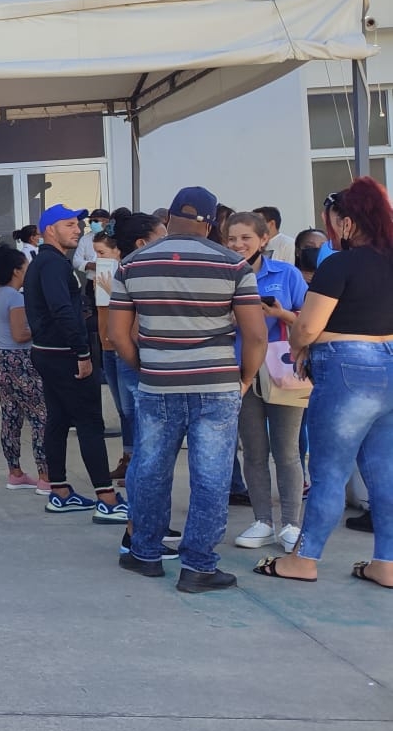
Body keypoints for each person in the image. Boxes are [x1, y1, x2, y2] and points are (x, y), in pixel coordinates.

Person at [110, 187, 267, 593]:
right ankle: (198, 567)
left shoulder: (132, 264)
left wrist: (146, 366)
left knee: (150, 469)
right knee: (211, 475)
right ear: (213, 222)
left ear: (169, 219)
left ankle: (145, 553)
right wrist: (244, 379)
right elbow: (255, 335)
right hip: (216, 384)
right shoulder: (233, 264)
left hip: (157, 384)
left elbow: (118, 335)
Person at [259, 179, 393, 585]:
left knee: (329, 472)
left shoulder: (339, 265)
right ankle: (386, 563)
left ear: (348, 223)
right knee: (384, 472)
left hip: (347, 368)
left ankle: (304, 559)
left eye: (332, 222)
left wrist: (300, 347)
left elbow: (305, 327)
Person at [24, 203, 128, 523]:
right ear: (50, 229)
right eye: (69, 224)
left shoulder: (47, 262)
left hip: (49, 352)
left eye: (77, 224)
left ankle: (60, 492)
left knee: (57, 420)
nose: (78, 229)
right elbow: (61, 310)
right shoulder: (53, 264)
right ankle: (106, 499)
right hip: (63, 353)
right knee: (89, 422)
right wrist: (82, 352)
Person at [225, 212, 307, 552]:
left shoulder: (286, 274)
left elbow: (309, 321)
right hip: (240, 372)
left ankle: (291, 524)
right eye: (232, 238)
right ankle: (262, 521)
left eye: (245, 238)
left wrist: (279, 314)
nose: (238, 244)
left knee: (287, 451)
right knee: (253, 451)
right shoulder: (222, 276)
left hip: (283, 370)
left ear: (264, 240)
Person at [0, 246, 47, 491]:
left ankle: (15, 473)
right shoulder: (16, 298)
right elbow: (20, 335)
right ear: (16, 270)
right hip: (19, 362)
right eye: (26, 267)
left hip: (0, 360)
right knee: (41, 417)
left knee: (10, 417)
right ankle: (46, 477)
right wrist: (44, 326)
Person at [92, 225, 132, 481]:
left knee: (129, 409)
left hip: (120, 347)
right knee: (121, 409)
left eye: (102, 252)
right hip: (106, 346)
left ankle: (134, 461)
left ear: (117, 251)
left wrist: (110, 288)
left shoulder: (124, 274)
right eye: (95, 253)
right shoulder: (101, 274)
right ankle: (127, 457)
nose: (98, 258)